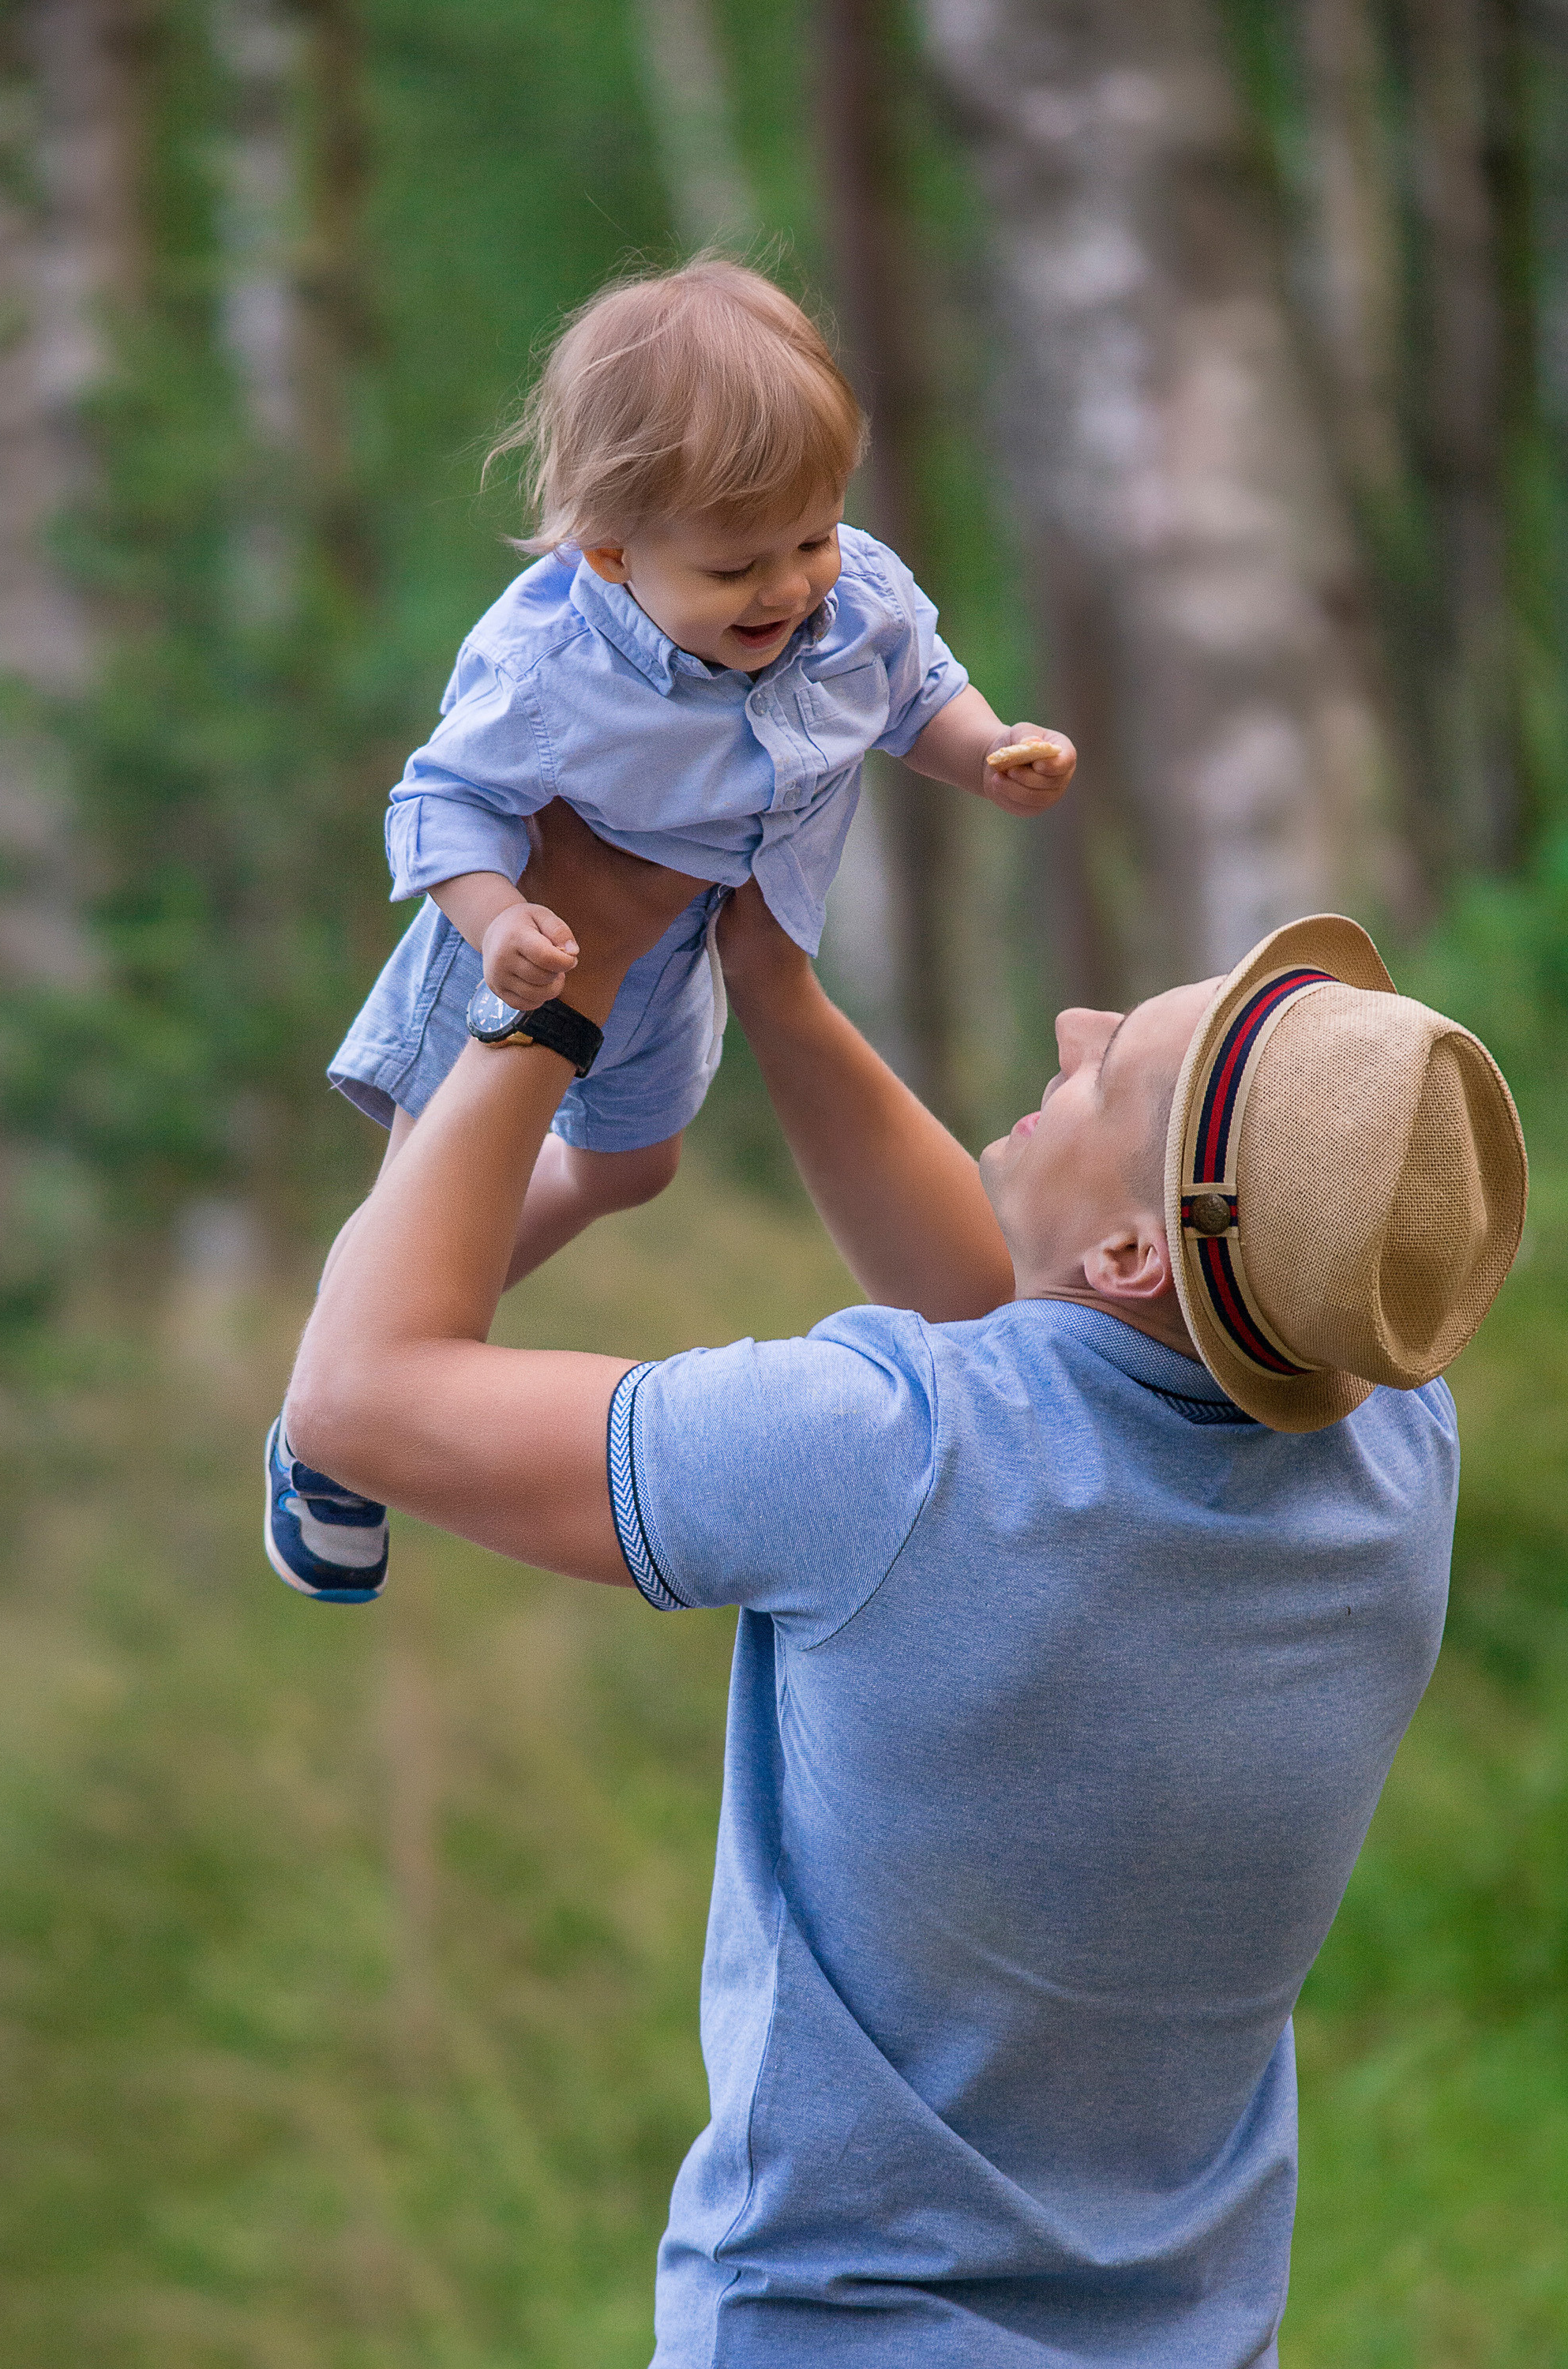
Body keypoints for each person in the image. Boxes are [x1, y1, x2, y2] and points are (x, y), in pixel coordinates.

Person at [283, 805, 1526, 2368]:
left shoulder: (885, 1450)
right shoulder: (1396, 1455)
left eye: (1103, 1069)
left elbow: (355, 1398)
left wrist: (557, 990)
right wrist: (777, 990)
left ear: (1142, 1256)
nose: (1069, 1027)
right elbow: (1030, 1326)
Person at [264, 255, 1075, 1603]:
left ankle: (349, 1376)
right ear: (609, 552)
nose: (789, 589)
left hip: (678, 957)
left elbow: (914, 688)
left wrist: (988, 753)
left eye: (812, 540)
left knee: (633, 1170)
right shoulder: (546, 670)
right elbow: (439, 805)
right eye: (736, 566)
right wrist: (500, 915)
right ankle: (330, 1424)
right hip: (511, 965)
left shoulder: (848, 593)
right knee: (423, 1215)